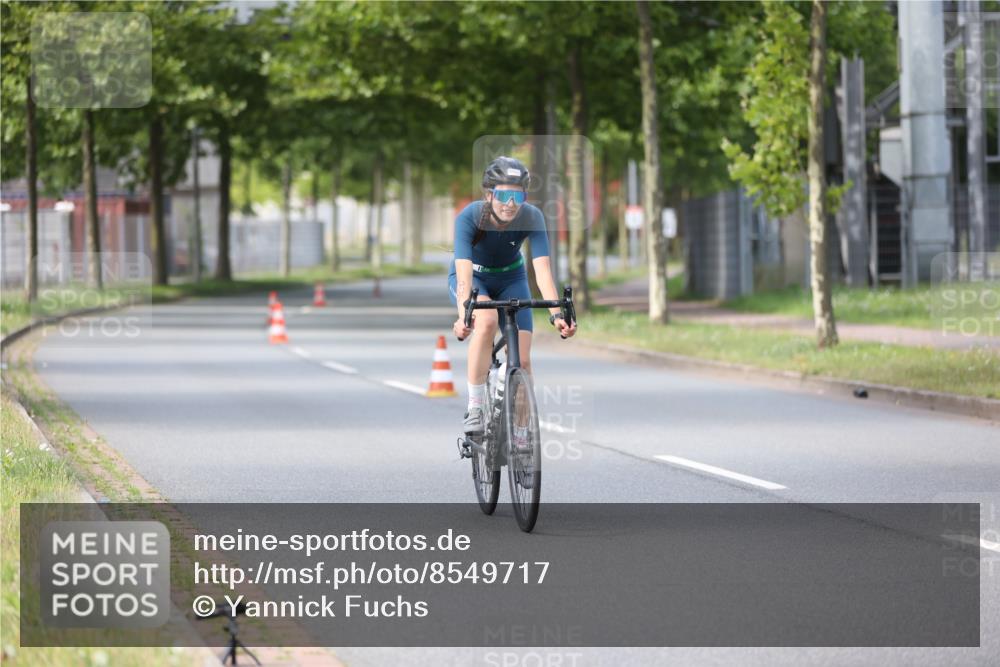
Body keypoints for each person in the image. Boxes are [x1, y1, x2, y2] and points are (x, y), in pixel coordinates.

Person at [449, 156, 577, 435]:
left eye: (517, 196)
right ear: (489, 194)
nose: (510, 203)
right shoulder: (470, 217)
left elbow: (542, 271)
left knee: (524, 361)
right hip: (475, 277)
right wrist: (463, 316)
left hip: (511, 278)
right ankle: (475, 407)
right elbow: (464, 274)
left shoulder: (532, 216)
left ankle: (521, 437)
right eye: (503, 195)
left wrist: (557, 315)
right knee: (486, 322)